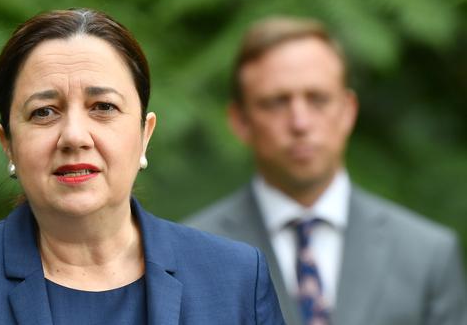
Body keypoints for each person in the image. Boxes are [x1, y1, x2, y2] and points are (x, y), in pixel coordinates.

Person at [0, 8, 285, 324]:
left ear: (145, 134)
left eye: (103, 107)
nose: (74, 136)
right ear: (7, 144)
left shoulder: (233, 279)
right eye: (44, 112)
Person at [185, 17, 467, 325]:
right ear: (240, 121)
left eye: (318, 99)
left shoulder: (426, 254)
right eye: (277, 103)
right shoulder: (189, 255)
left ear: (348, 111)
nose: (300, 123)